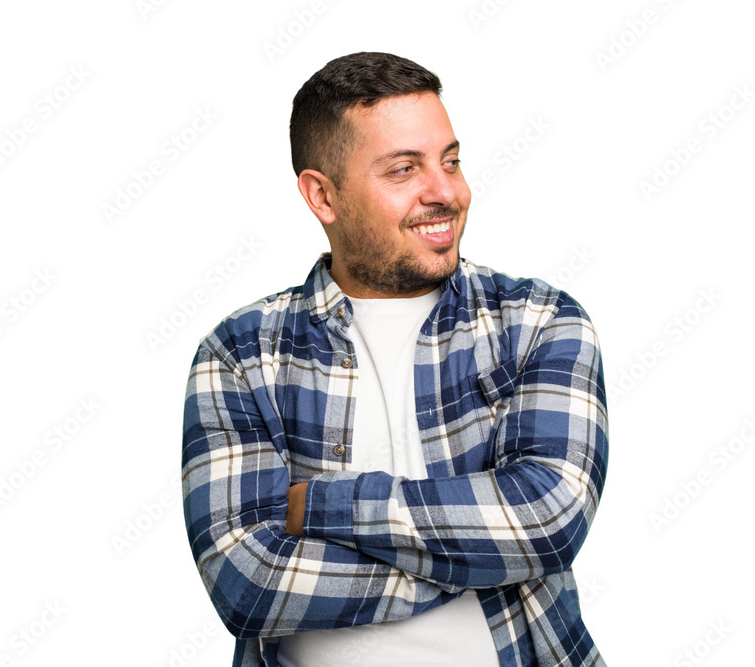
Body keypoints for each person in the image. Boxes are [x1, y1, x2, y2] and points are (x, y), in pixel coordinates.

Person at [181, 51, 609, 667]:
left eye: (451, 161)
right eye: (404, 170)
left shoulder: (537, 321)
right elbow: (246, 584)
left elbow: (546, 522)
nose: (446, 192)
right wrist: (482, 559)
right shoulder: (242, 353)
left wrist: (324, 506)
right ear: (322, 196)